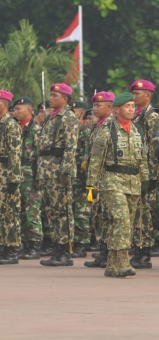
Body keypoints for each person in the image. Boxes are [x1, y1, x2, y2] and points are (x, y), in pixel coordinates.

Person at [86, 92, 149, 277]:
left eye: (132, 106)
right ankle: (123, 260)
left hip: (133, 182)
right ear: (116, 109)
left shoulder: (137, 130)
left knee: (124, 224)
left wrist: (145, 179)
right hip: (112, 181)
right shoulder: (106, 130)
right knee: (121, 220)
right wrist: (91, 187)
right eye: (127, 106)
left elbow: (143, 157)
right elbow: (95, 160)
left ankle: (112, 265)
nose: (131, 109)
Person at [36, 83, 79, 267]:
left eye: (55, 95)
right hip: (47, 171)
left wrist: (66, 171)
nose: (51, 98)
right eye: (51, 94)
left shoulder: (67, 118)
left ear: (65, 99)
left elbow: (71, 147)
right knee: (51, 212)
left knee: (62, 212)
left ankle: (65, 252)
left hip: (58, 172)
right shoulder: (52, 117)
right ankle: (57, 249)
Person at [130, 79, 159, 269]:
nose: (134, 96)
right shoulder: (136, 116)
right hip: (134, 172)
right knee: (137, 213)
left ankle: (144, 254)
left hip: (146, 173)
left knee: (143, 214)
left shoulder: (151, 117)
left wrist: (149, 174)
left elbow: (156, 148)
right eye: (133, 93)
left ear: (148, 96)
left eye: (138, 93)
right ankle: (138, 249)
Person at [83, 91, 116, 268]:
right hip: (97, 176)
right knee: (99, 215)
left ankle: (109, 253)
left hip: (108, 177)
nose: (95, 108)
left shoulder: (111, 125)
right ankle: (103, 251)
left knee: (108, 215)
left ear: (110, 107)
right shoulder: (99, 125)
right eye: (94, 105)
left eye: (98, 105)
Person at [12, 96, 42, 260]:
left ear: (29, 110)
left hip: (30, 172)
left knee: (32, 210)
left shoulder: (35, 129)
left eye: (19, 109)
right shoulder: (16, 127)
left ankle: (35, 244)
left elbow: (39, 156)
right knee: (20, 210)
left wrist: (38, 177)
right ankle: (24, 243)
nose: (16, 111)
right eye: (15, 109)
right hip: (17, 173)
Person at [0, 90, 23, 265]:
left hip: (7, 174)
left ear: (5, 104)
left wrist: (14, 179)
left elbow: (15, 154)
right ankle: (3, 246)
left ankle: (12, 248)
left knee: (10, 213)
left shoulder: (11, 125)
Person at [69, 100, 92, 257]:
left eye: (75, 111)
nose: (72, 113)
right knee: (73, 209)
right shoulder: (72, 129)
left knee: (82, 211)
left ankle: (82, 244)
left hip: (83, 177)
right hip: (72, 176)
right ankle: (74, 241)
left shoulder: (84, 131)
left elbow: (86, 156)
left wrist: (86, 179)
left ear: (82, 113)